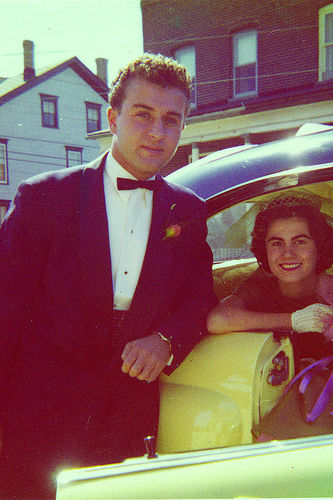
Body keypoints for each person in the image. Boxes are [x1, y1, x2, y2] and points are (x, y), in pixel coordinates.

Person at [0, 53, 216, 497]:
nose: (157, 132)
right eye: (143, 115)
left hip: (128, 417)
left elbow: (200, 299)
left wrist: (165, 340)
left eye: (171, 120)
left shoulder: (188, 210)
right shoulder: (45, 198)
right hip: (39, 416)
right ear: (113, 118)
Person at [207, 194, 333, 366]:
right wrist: (294, 321)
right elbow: (217, 320)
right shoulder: (262, 283)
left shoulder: (329, 289)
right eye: (276, 243)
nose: (288, 254)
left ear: (319, 248)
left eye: (300, 242)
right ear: (264, 249)